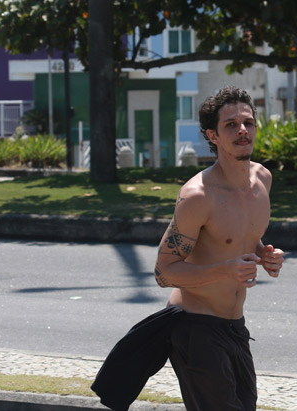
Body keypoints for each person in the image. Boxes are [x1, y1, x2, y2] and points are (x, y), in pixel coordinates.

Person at [92, 86, 284, 411]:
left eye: (248, 122)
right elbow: (164, 271)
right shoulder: (198, 196)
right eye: (230, 124)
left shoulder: (262, 180)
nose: (242, 130)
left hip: (234, 326)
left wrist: (265, 254)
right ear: (213, 135)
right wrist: (227, 268)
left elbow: (239, 238)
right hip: (197, 329)